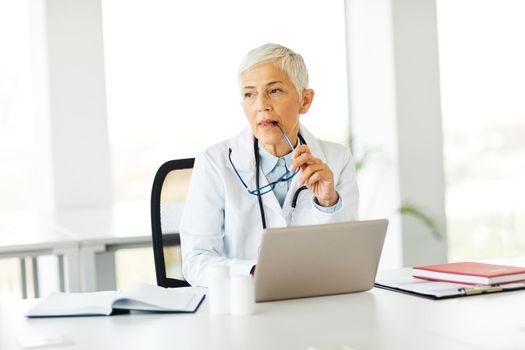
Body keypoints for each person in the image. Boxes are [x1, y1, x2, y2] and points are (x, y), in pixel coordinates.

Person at [180, 43, 359, 286]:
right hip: (244, 306)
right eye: (249, 94)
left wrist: (328, 203)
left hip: (315, 303)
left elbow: (348, 258)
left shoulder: (337, 159)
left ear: (305, 101)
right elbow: (196, 261)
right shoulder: (213, 163)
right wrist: (258, 272)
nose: (261, 105)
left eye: (274, 91)